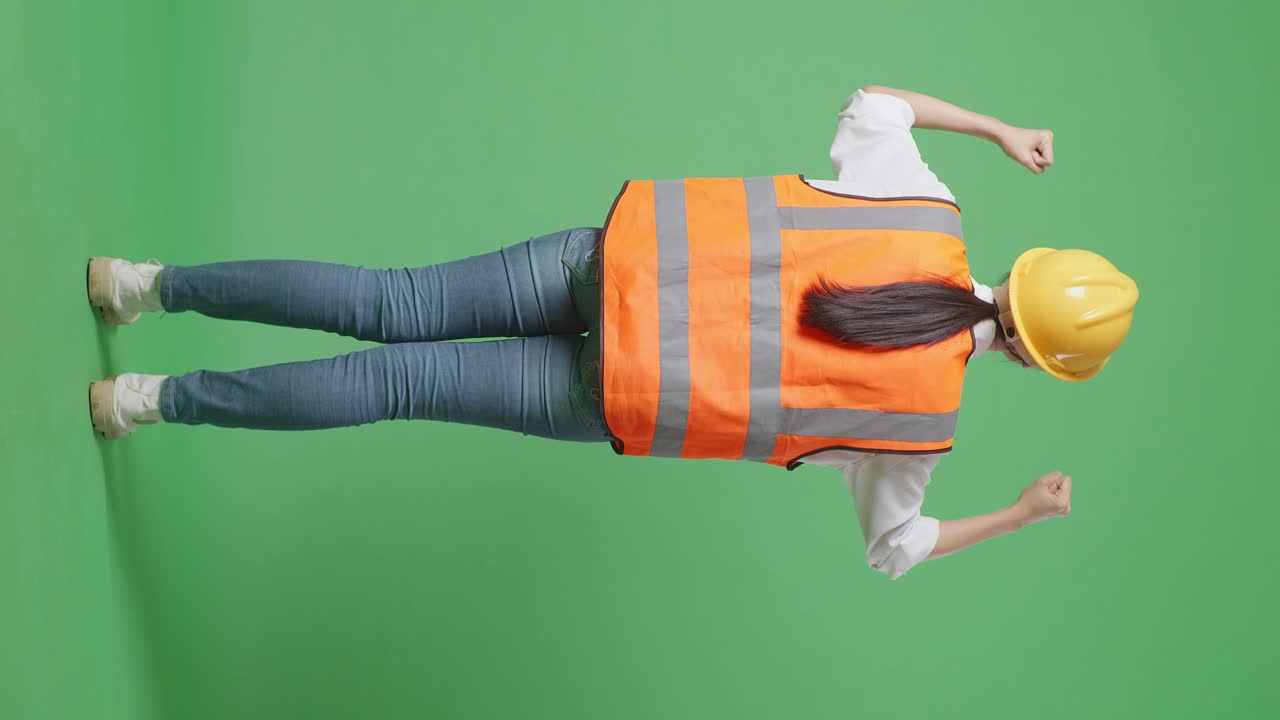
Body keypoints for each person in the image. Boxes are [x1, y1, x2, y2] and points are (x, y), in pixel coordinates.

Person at [86, 85, 1138, 580]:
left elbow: (875, 101)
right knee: (396, 390)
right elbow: (894, 549)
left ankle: (140, 285)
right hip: (616, 392)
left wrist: (996, 128)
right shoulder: (921, 433)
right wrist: (1013, 515)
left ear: (1027, 270)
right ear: (1040, 364)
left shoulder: (924, 209)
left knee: (385, 302)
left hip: (608, 260)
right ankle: (143, 403)